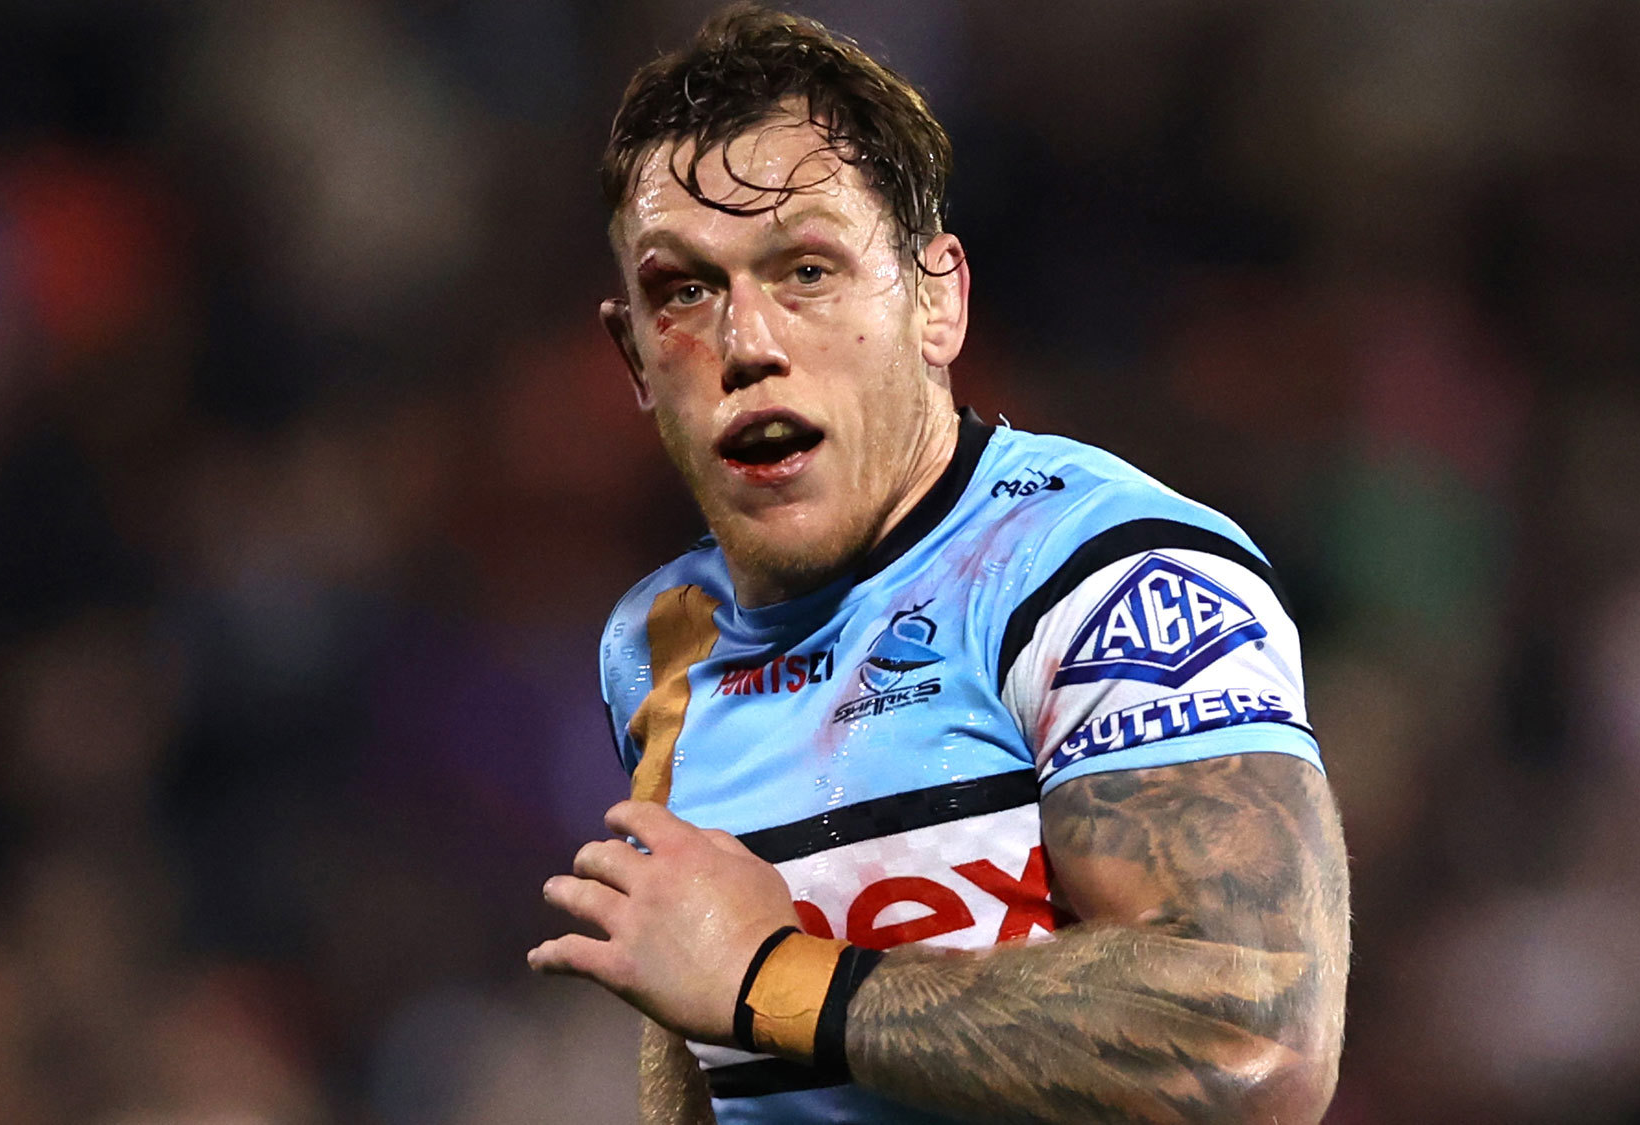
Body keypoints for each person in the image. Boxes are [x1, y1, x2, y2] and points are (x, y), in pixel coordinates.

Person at [528, 7, 1349, 1123]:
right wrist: (722, 989)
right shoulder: (657, 642)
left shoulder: (1108, 574)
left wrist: (773, 980)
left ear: (936, 299)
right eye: (684, 290)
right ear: (630, 353)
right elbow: (699, 1025)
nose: (747, 344)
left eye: (806, 269)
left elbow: (1248, 1045)